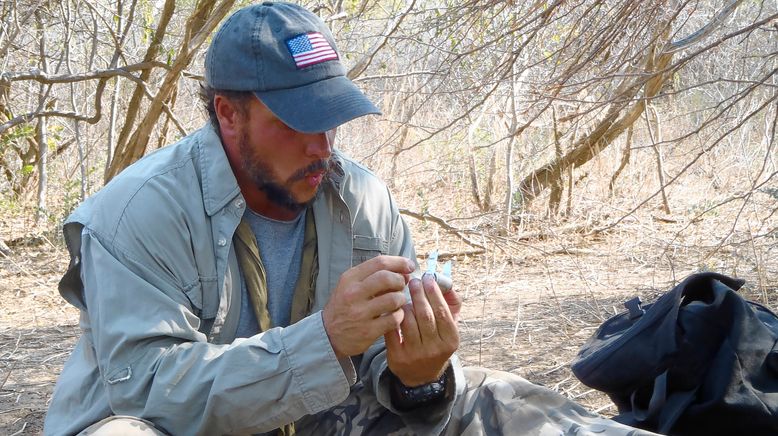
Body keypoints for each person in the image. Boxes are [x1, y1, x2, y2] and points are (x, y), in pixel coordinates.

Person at [45, 3, 658, 435]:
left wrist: (419, 375)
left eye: (330, 117)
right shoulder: (139, 212)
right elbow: (151, 392)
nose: (322, 146)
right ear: (227, 113)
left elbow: (386, 385)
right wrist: (326, 339)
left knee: (493, 400)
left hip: (313, 420)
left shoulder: (360, 199)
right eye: (294, 123)